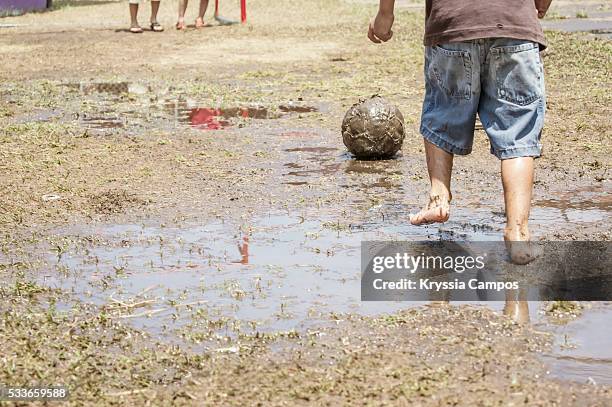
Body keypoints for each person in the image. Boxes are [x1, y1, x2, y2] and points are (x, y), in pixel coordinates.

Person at [368, 0, 553, 263]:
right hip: (514, 25)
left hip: (453, 25)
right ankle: (518, 232)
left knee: (444, 111)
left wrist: (385, 14)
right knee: (518, 132)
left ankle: (438, 197)